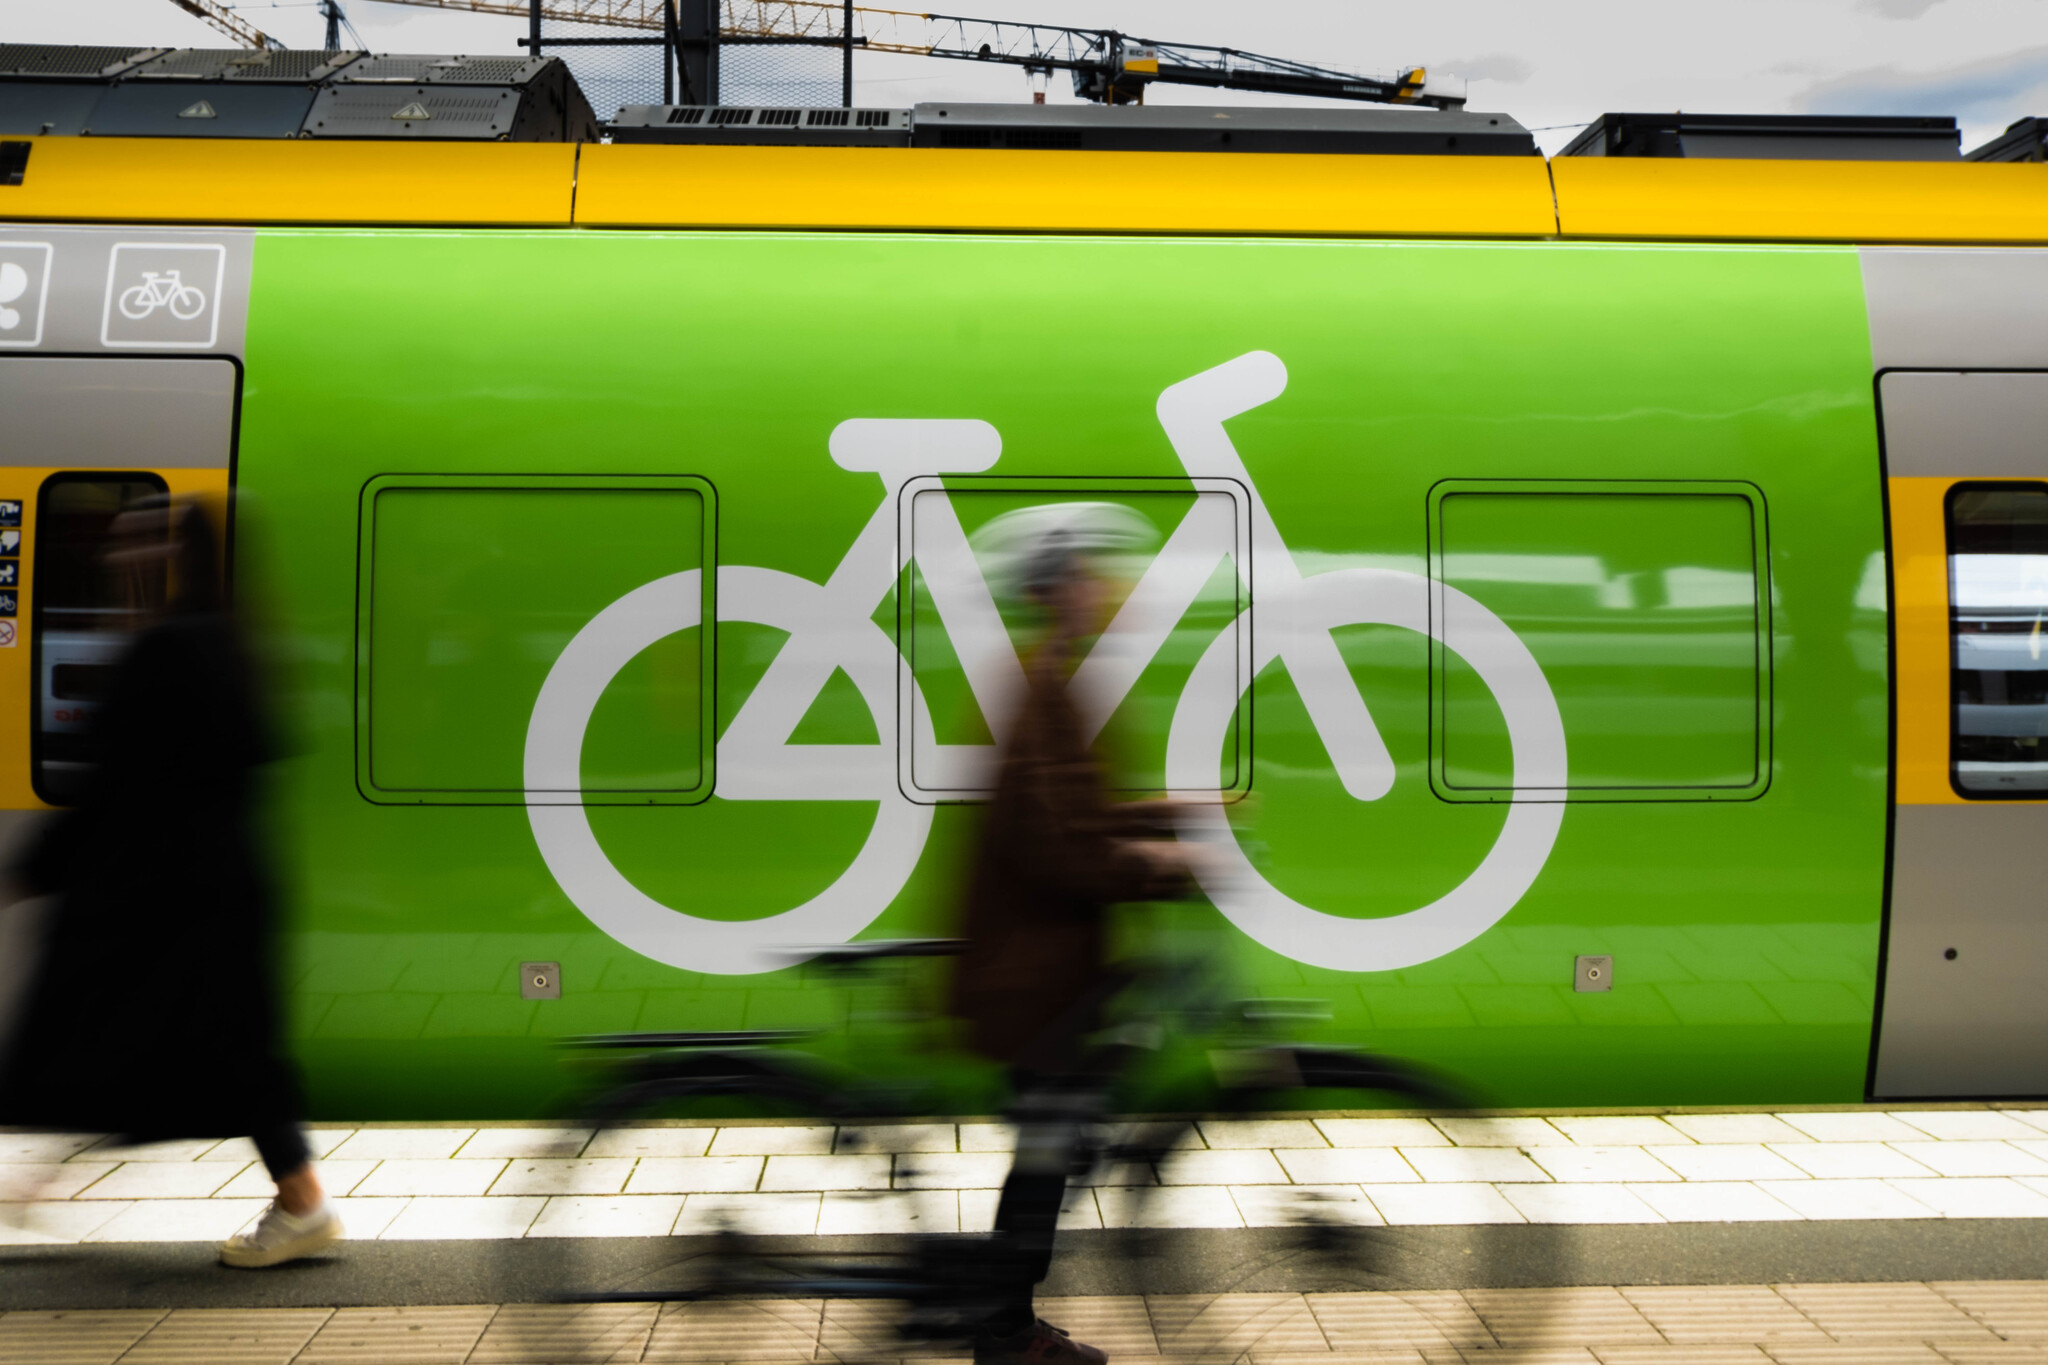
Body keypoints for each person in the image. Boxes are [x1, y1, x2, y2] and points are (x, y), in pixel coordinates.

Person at [0, 496, 341, 1268]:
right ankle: (302, 1203)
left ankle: (303, 1204)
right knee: (226, 1050)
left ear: (177, 558)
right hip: (218, 888)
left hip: (170, 896)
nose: (123, 560)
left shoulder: (167, 648)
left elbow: (111, 784)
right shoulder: (233, 637)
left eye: (142, 544)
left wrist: (30, 870)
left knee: (120, 1030)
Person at [949, 509, 1206, 1365]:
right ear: (1057, 587)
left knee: (1052, 1147)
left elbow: (1069, 814)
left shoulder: (1046, 677)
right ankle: (1002, 1328)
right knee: (1047, 1153)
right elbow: (1054, 842)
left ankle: (1003, 1319)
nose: (1107, 585)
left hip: (1046, 965)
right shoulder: (1041, 685)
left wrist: (1162, 816)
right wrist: (1155, 865)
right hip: (1032, 971)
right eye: (1092, 572)